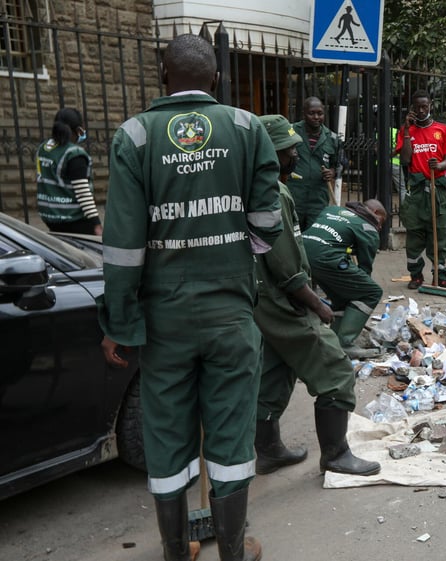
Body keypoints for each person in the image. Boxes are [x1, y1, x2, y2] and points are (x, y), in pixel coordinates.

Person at [97, 34, 283, 561]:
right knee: (229, 436)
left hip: (164, 320)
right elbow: (268, 222)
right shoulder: (247, 129)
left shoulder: (134, 136)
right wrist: (234, 244)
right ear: (216, 80)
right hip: (229, 313)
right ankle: (232, 550)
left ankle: (177, 551)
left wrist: (119, 321)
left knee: (166, 435)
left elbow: (124, 244)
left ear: (162, 76)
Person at [253, 114, 381, 478]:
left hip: (262, 301)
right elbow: (284, 261)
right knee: (336, 371)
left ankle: (269, 450)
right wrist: (316, 303)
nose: (295, 154)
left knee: (274, 374)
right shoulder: (270, 192)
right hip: (285, 301)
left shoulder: (250, 186)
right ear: (272, 152)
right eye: (289, 149)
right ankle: (336, 455)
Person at [303, 199, 386, 359]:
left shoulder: (332, 210)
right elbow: (365, 268)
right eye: (381, 222)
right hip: (326, 259)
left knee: (341, 297)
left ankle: (332, 342)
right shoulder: (368, 228)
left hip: (302, 254)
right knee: (372, 292)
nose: (380, 227)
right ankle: (346, 343)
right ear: (375, 213)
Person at [396, 89, 446, 291]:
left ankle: (440, 277)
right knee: (414, 235)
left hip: (437, 190)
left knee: (439, 235)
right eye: (417, 107)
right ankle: (415, 276)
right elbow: (405, 159)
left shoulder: (442, 129)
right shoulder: (406, 131)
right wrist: (406, 131)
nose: (421, 110)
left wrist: (439, 166)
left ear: (430, 105)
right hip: (416, 191)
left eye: (425, 106)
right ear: (412, 108)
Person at [35, 108, 102, 235]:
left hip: (50, 217)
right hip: (73, 219)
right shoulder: (74, 154)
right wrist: (96, 224)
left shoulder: (43, 148)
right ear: (78, 130)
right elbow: (83, 194)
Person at [288, 96, 343, 231]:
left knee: (314, 235)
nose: (316, 117)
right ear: (303, 114)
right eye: (311, 113)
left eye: (320, 113)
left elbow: (340, 164)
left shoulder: (333, 138)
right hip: (295, 197)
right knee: (294, 236)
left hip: (318, 199)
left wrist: (333, 172)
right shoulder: (291, 131)